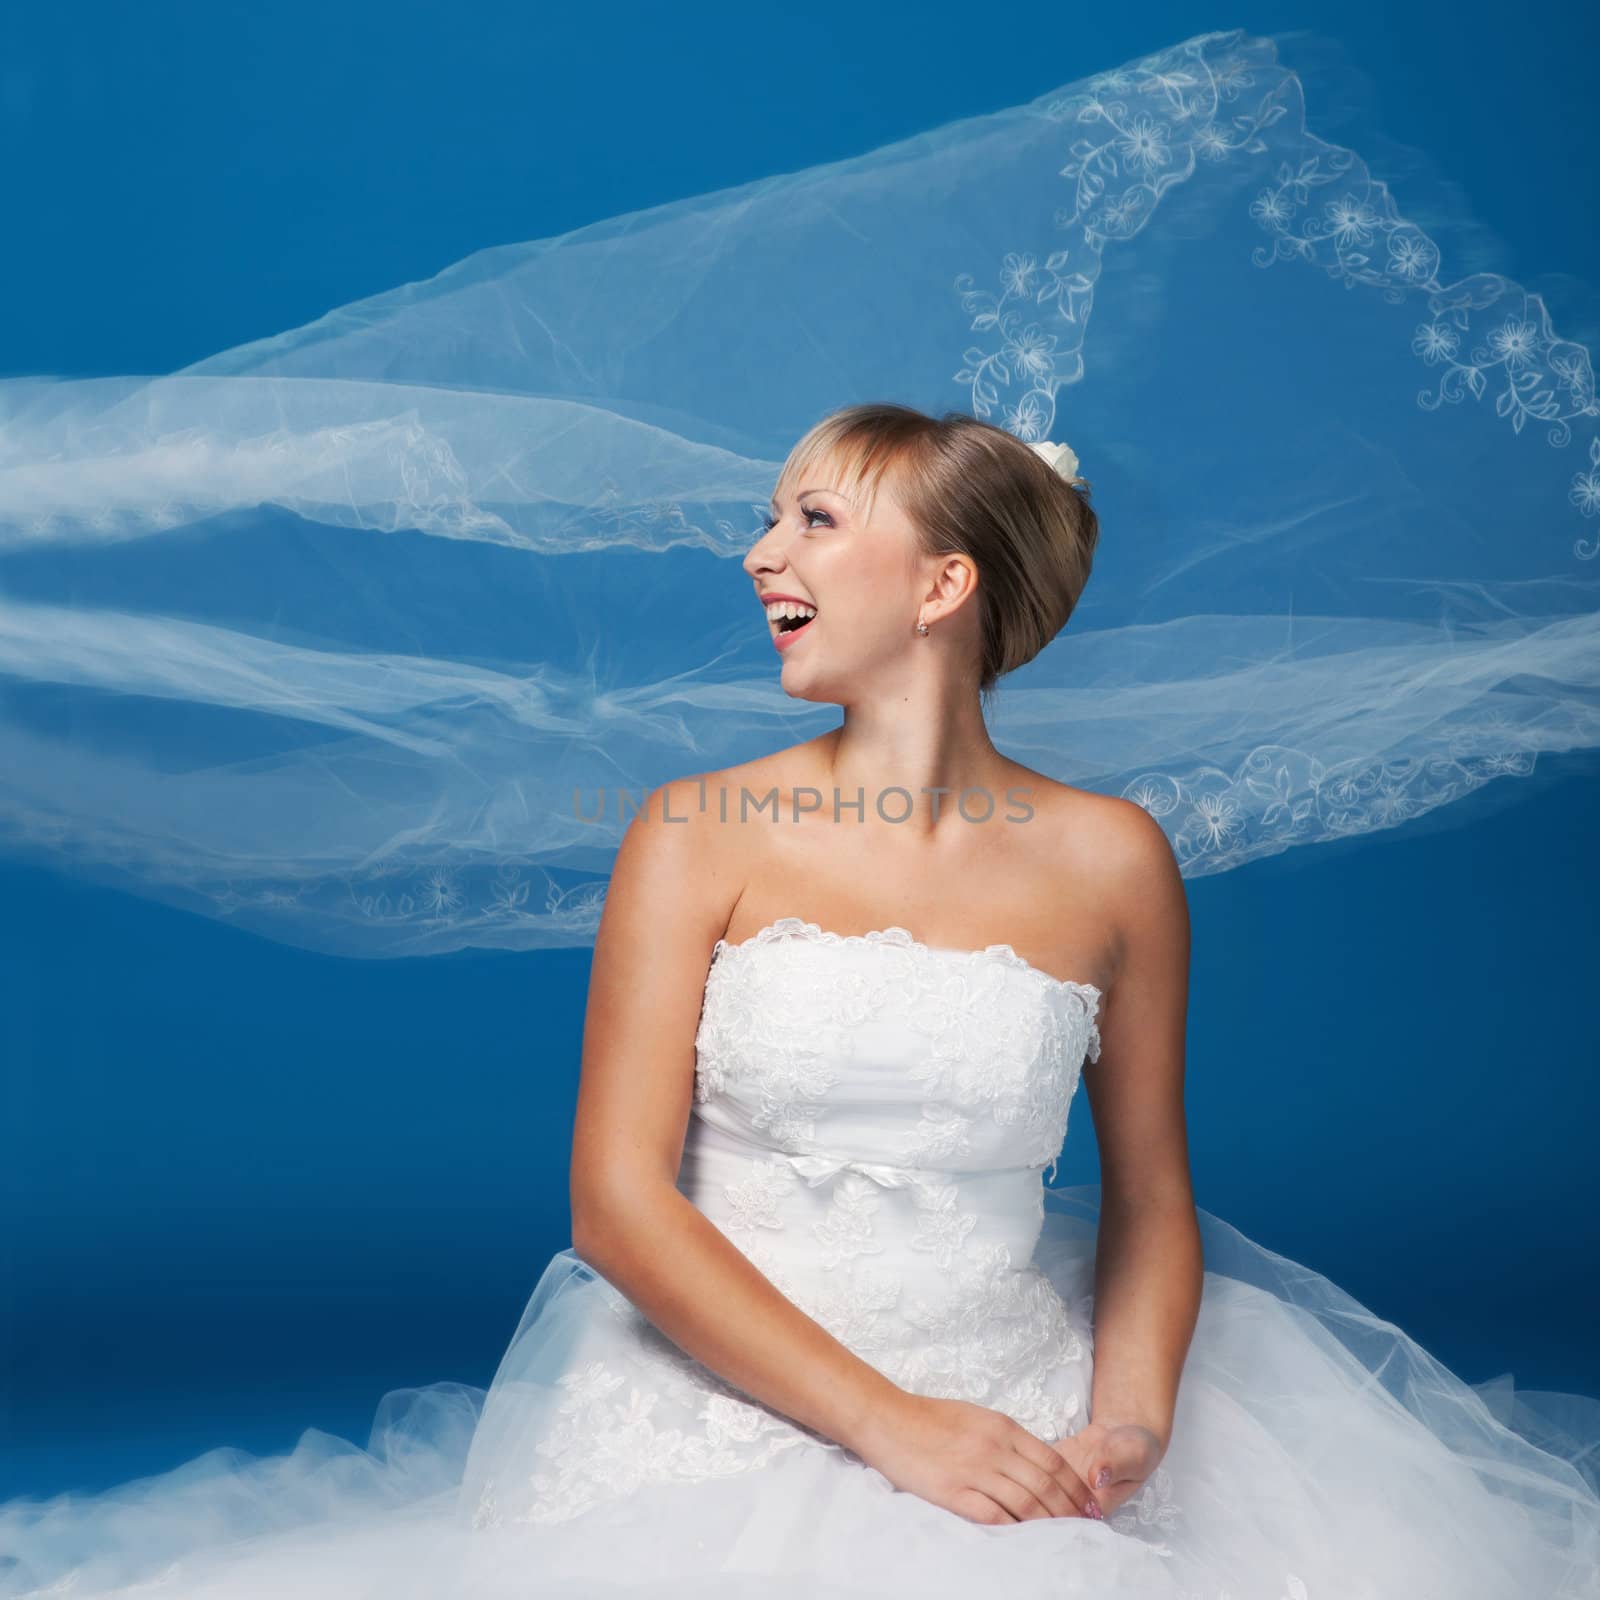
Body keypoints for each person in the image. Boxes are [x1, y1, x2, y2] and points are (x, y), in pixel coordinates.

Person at [3, 406, 1597, 1600]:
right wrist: (894, 1426)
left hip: (1014, 1373)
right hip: (727, 1383)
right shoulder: (697, 831)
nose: (762, 555)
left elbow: (1152, 1196)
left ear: (943, 584)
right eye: (773, 521)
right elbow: (619, 1204)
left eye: (816, 521)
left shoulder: (1114, 860)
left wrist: (1128, 1429)